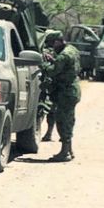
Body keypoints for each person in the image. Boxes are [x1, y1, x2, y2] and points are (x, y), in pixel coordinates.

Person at [40, 31, 81, 162]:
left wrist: (44, 63)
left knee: (63, 121)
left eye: (52, 44)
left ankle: (65, 153)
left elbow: (52, 71)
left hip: (66, 92)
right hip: (72, 90)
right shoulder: (72, 50)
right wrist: (54, 60)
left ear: (58, 41)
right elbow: (66, 66)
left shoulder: (64, 56)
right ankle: (69, 150)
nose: (52, 47)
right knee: (69, 119)